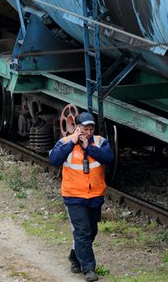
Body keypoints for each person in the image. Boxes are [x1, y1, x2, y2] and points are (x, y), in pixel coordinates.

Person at [48, 111, 114, 282]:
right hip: (74, 196)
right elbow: (54, 159)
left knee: (91, 231)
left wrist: (88, 147)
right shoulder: (65, 142)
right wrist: (73, 141)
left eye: (91, 129)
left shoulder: (100, 142)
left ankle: (75, 256)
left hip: (95, 196)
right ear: (77, 128)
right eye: (85, 129)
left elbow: (108, 157)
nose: (88, 133)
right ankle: (89, 269)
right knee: (83, 231)